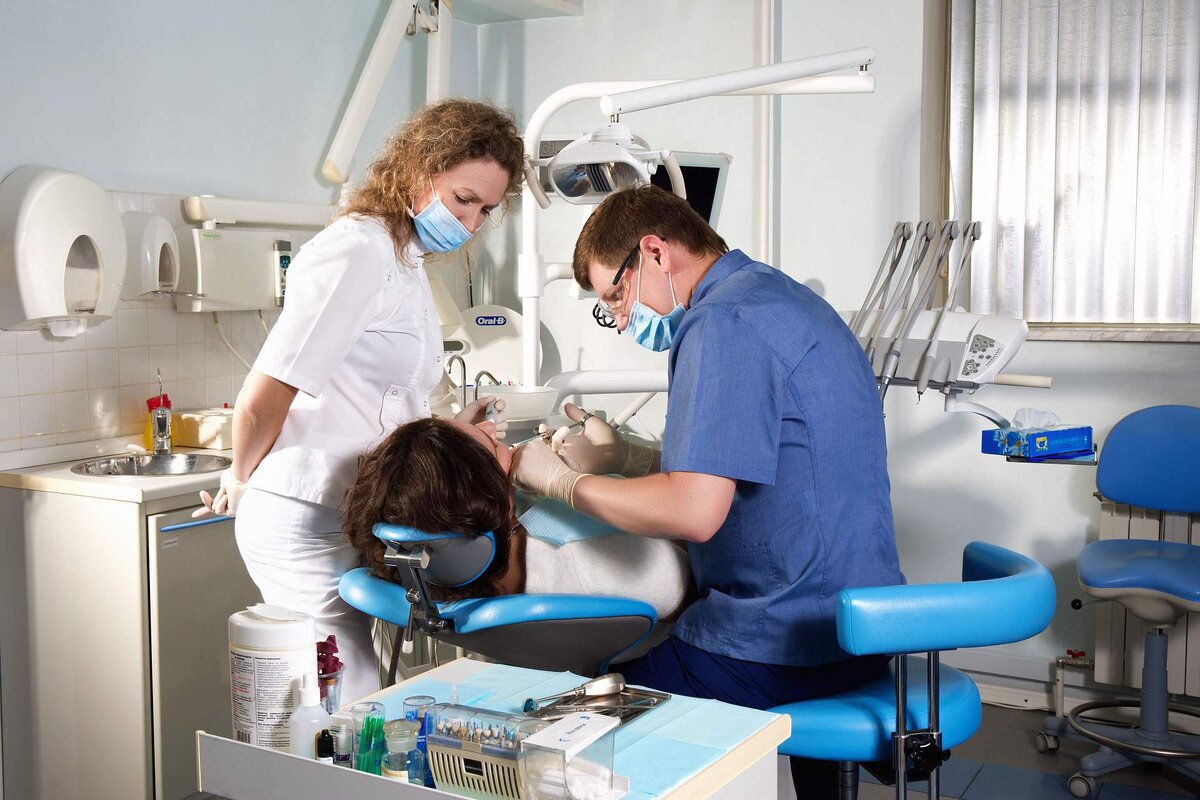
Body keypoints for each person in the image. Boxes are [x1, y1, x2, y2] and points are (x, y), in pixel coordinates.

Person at [513, 184, 904, 798]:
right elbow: (756, 459)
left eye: (616, 296)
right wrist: (629, 457)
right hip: (861, 627)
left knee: (591, 709)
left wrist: (564, 482)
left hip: (782, 640)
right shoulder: (781, 300)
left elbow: (694, 512)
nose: (620, 319)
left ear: (655, 252)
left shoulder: (720, 323)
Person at [193, 97, 526, 704]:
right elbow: (263, 399)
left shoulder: (404, 260)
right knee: (343, 699)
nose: (472, 222)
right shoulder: (356, 250)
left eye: (486, 209)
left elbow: (379, 403)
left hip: (347, 509)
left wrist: (451, 432)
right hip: (301, 514)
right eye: (463, 199)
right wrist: (240, 480)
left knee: (350, 700)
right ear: (418, 171)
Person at [342, 416, 690, 618]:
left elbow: (426, 504)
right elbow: (692, 544)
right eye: (493, 445)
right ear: (490, 499)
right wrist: (626, 464)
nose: (491, 426)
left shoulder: (424, 570)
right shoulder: (582, 560)